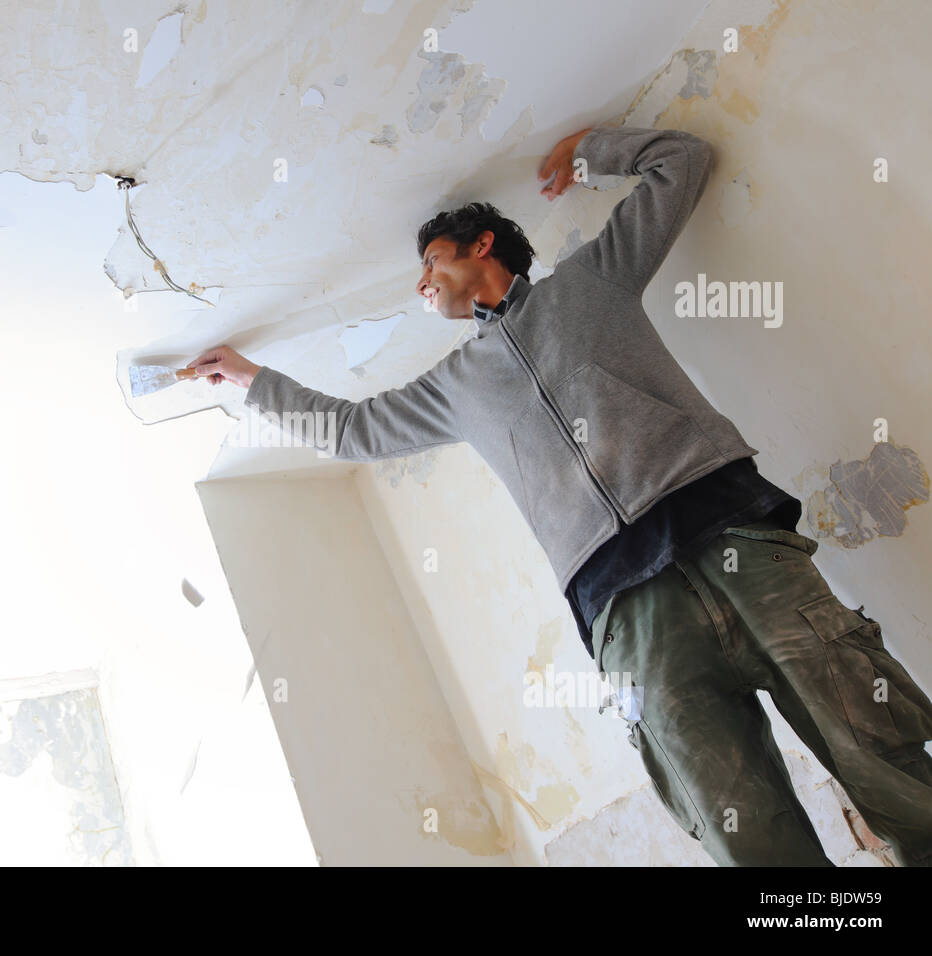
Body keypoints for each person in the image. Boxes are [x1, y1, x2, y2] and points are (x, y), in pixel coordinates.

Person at [185, 124, 932, 866]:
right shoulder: (454, 386)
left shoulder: (593, 280)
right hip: (625, 611)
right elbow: (352, 432)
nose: (421, 283)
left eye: (431, 261)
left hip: (732, 533)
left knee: (878, 750)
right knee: (740, 824)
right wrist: (251, 378)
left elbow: (683, 164)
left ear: (482, 245)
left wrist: (586, 154)